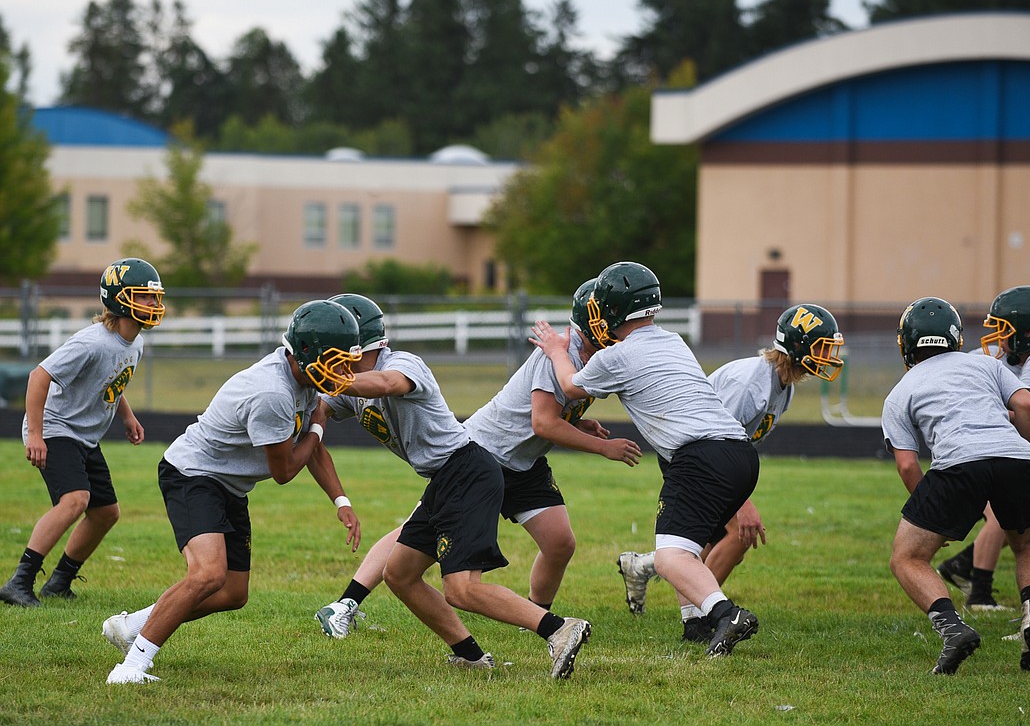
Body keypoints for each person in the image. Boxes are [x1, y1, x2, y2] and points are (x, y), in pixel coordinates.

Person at [313, 288, 639, 640]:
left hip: (521, 460)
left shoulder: (395, 364)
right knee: (416, 545)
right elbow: (542, 421)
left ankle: (541, 619)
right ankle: (347, 602)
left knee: (560, 543)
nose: (628, 336)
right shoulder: (559, 354)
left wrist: (576, 424)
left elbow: (544, 416)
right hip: (485, 451)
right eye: (625, 324)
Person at [101, 299, 365, 684]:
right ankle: (131, 667)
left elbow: (312, 448)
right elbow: (286, 469)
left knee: (232, 593)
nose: (345, 372)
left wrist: (341, 500)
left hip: (227, 483)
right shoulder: (272, 393)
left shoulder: (302, 377)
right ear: (308, 353)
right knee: (207, 575)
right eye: (338, 360)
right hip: (193, 474)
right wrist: (319, 425)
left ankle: (133, 626)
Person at [530, 261, 761, 658]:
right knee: (686, 545)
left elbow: (569, 384)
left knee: (672, 556)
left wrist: (555, 350)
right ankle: (697, 624)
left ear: (612, 311)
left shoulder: (617, 356)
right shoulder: (673, 340)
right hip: (740, 453)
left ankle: (726, 613)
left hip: (698, 457)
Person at [616, 303, 845, 644]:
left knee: (708, 543)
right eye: (822, 347)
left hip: (712, 460)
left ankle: (650, 573)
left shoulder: (782, 385)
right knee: (738, 532)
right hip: (696, 458)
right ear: (798, 346)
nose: (828, 355)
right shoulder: (749, 383)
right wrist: (743, 503)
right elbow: (719, 441)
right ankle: (710, 615)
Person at [882, 297, 1030, 675]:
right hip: (1016, 459)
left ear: (906, 343)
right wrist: (1024, 450)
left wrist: (933, 514)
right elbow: (1027, 407)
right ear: (955, 337)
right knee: (1029, 546)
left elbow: (908, 464)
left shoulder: (900, 391)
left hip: (958, 464)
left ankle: (953, 629)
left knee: (907, 558)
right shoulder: (985, 363)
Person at [0, 258, 165, 609]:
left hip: (82, 435)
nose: (153, 305)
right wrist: (35, 435)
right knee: (75, 500)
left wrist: (127, 416)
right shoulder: (92, 342)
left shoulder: (134, 343)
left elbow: (111, 382)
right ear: (121, 300)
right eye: (144, 297)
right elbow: (38, 377)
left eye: (155, 297)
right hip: (56, 427)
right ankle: (20, 582)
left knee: (107, 513)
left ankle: (58, 582)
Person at [937, 286, 1030, 611]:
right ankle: (976, 584)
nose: (997, 339)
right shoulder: (1027, 353)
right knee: (1011, 509)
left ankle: (968, 572)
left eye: (1004, 329)